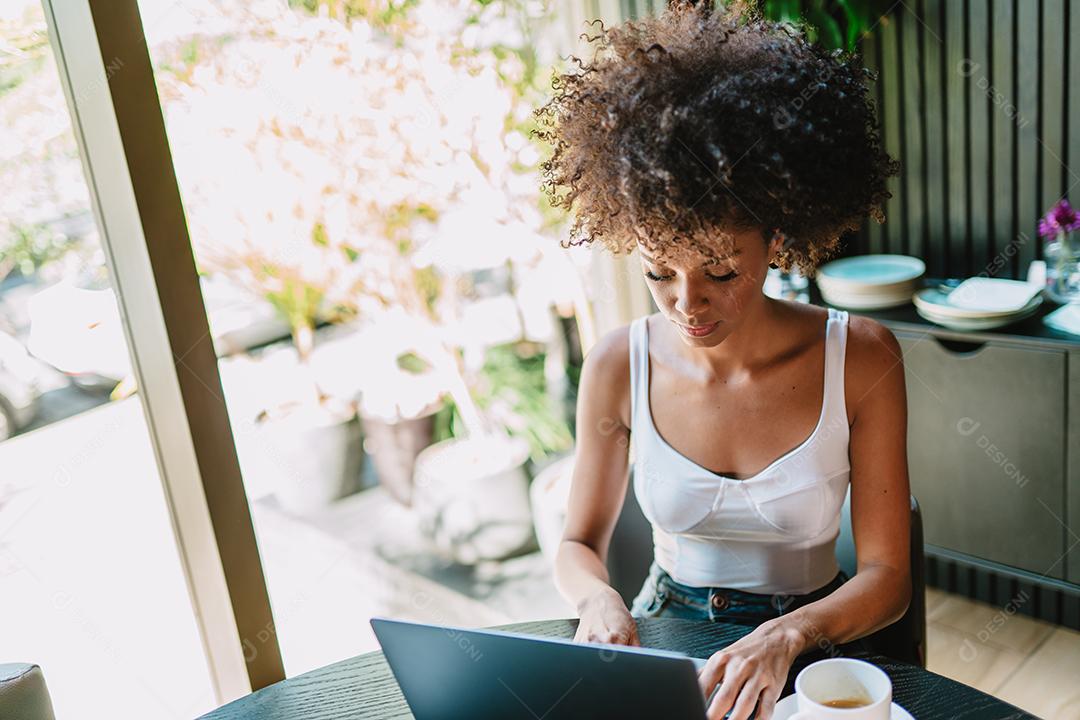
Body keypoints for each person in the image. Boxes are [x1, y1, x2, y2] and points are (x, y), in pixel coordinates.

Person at [533, 2, 911, 719]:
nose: (687, 304)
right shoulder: (618, 364)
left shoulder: (858, 358)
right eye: (659, 273)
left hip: (811, 635)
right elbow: (577, 543)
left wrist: (790, 630)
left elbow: (889, 576)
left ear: (776, 235)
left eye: (720, 271)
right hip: (666, 625)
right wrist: (599, 598)